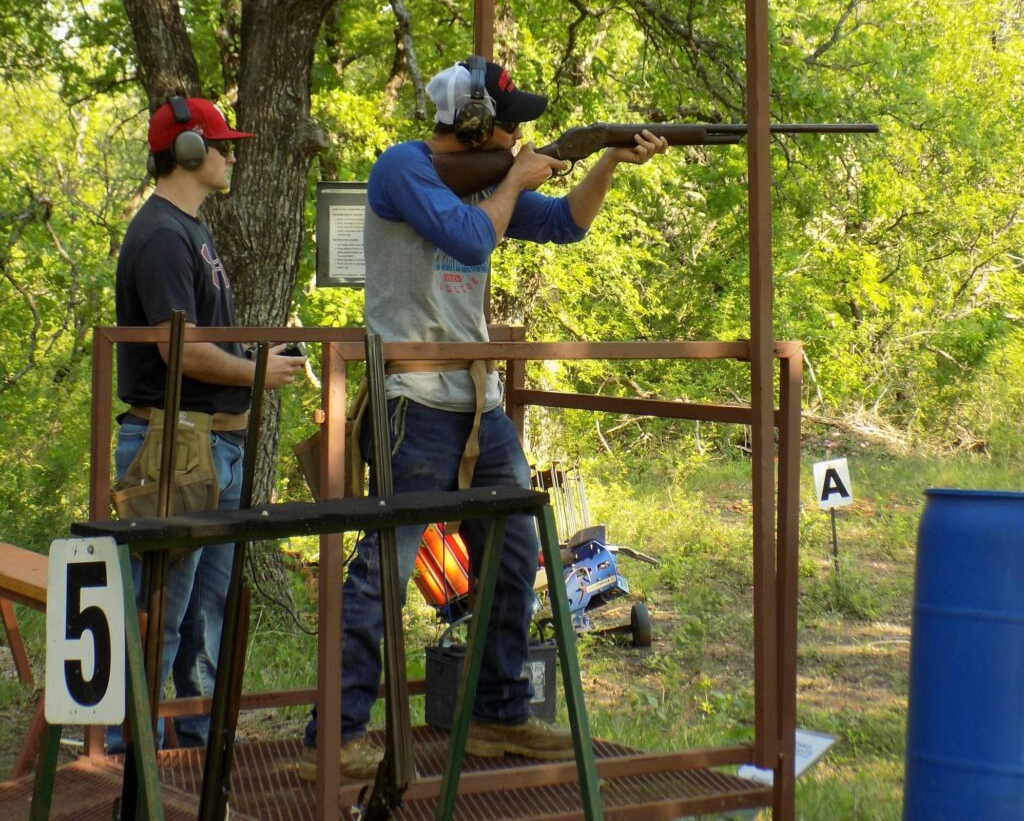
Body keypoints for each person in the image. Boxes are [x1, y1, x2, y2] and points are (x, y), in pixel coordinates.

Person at [299, 57, 667, 780]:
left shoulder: (489, 180)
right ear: (471, 122)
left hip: (478, 404)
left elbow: (567, 225)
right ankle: (332, 735)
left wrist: (610, 162)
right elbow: (472, 238)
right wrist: (518, 178)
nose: (520, 132)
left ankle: (499, 717)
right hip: (413, 401)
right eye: (507, 120)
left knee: (512, 559)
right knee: (385, 571)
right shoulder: (401, 168)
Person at [110, 96, 306, 749]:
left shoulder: (191, 228)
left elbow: (203, 342)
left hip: (207, 444)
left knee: (204, 614)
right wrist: (255, 374)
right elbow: (180, 348)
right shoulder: (164, 235)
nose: (231, 154)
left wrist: (256, 359)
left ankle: (192, 751)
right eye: (221, 144)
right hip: (176, 445)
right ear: (189, 153)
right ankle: (122, 759)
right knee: (158, 613)